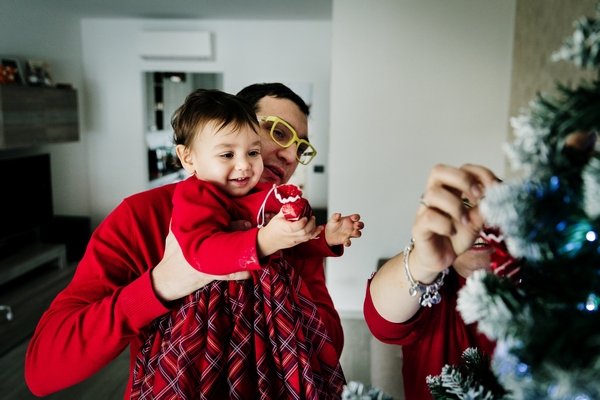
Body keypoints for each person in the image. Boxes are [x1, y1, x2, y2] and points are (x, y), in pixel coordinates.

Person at [25, 83, 362, 398]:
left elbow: (330, 341)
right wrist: (161, 285)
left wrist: (293, 283)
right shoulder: (142, 216)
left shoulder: (288, 223)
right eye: (278, 131)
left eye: (300, 146)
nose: (289, 155)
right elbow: (42, 370)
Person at [130, 88, 361, 399]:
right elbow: (200, 250)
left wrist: (325, 238)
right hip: (209, 326)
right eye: (228, 154)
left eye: (252, 153)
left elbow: (290, 244)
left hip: (273, 330)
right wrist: (264, 239)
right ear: (188, 157)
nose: (244, 165)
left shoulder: (261, 196)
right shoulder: (194, 196)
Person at [363, 163, 501, 400]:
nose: (480, 225)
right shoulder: (433, 286)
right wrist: (423, 263)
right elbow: (381, 323)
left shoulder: (544, 283)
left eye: (493, 209)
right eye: (465, 210)